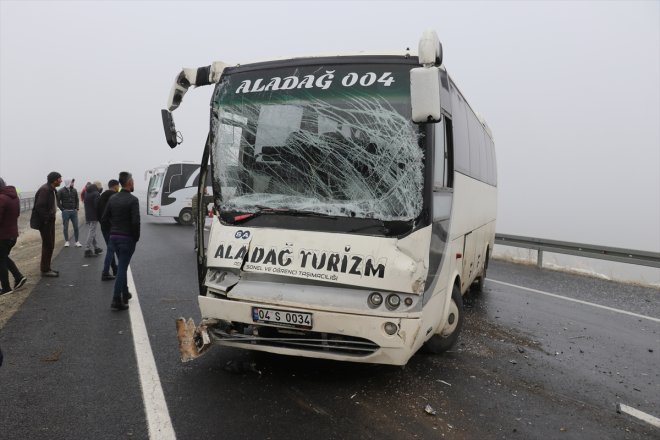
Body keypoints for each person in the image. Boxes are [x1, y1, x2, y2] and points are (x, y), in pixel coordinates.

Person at [102, 171, 140, 311]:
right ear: (129, 183)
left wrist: (113, 230)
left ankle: (125, 293)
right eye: (133, 181)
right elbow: (135, 222)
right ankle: (116, 299)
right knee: (122, 268)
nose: (134, 183)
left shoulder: (113, 198)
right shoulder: (133, 200)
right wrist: (135, 238)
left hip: (114, 237)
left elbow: (105, 218)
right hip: (127, 238)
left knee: (122, 266)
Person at [31, 171, 62, 277]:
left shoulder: (52, 189)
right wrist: (47, 218)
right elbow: (39, 207)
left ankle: (47, 268)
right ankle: (45, 270)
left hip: (49, 221)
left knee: (50, 244)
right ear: (55, 180)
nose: (61, 180)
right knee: (48, 245)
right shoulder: (45, 190)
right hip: (45, 222)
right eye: (59, 179)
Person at [0, 178, 27, 295]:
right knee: (3, 257)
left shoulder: (1, 198)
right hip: (12, 234)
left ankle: (6, 288)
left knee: (1, 260)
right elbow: (17, 214)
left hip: (3, 236)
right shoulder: (14, 197)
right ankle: (18, 276)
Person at [97, 178, 119, 279]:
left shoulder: (102, 196)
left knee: (111, 248)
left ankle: (114, 269)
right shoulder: (114, 196)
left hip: (104, 226)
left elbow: (97, 211)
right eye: (118, 186)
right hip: (112, 227)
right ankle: (105, 273)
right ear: (115, 186)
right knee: (111, 250)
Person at [57, 178, 82, 248]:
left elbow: (77, 199)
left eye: (73, 182)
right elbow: (57, 201)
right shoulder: (61, 191)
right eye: (72, 182)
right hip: (65, 212)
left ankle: (77, 241)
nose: (73, 184)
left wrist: (77, 208)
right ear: (68, 183)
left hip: (74, 212)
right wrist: (62, 209)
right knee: (65, 227)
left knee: (76, 227)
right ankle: (67, 241)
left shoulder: (74, 190)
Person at [83, 181, 104, 258]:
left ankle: (96, 248)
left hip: (88, 215)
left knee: (93, 232)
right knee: (92, 232)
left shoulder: (87, 192)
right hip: (94, 216)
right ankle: (87, 249)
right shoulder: (96, 193)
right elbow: (97, 206)